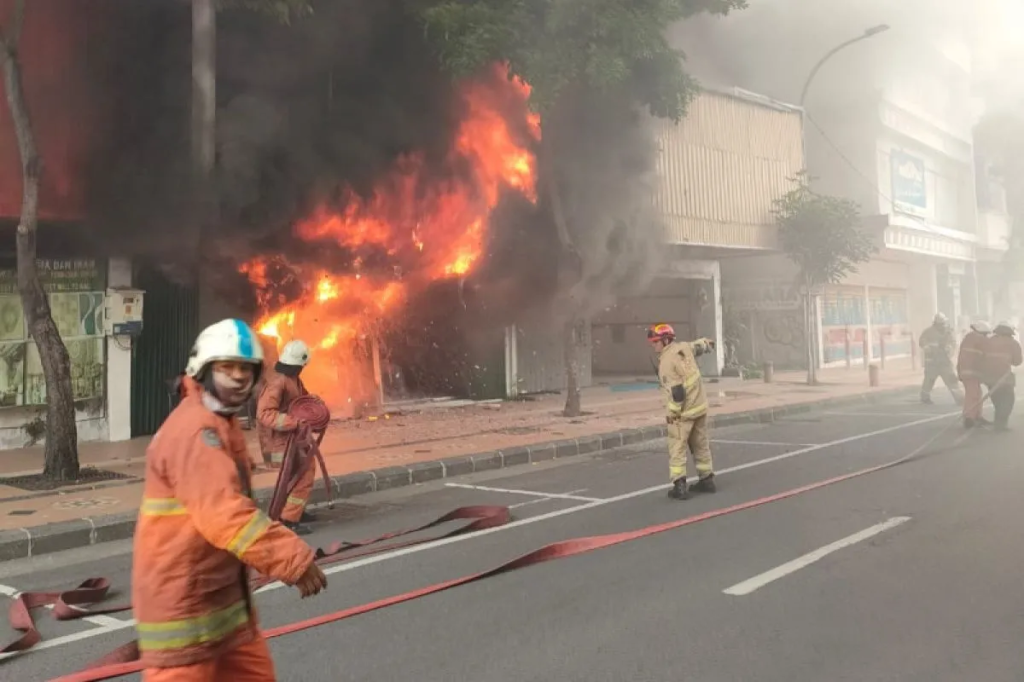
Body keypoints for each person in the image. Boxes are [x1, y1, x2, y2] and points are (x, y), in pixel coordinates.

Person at [132, 319, 327, 681]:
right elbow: (225, 513)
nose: (237, 377)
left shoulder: (221, 422)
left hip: (223, 608)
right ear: (203, 370)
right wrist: (292, 559)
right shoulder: (196, 432)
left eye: (244, 369)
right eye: (226, 367)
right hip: (185, 617)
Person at [648, 323, 717, 500]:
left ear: (665, 340)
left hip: (684, 413)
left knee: (677, 448)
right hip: (700, 407)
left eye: (655, 341)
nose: (653, 345)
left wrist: (672, 414)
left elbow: (677, 393)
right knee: (700, 444)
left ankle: (680, 486)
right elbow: (698, 346)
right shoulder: (683, 347)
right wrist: (707, 343)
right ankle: (707, 480)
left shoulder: (666, 362)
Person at [257, 339, 316, 535]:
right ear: (298, 364)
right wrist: (294, 422)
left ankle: (296, 510)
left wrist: (314, 402)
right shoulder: (278, 382)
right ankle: (289, 519)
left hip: (291, 441)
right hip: (279, 443)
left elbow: (302, 400)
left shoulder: (293, 380)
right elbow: (265, 414)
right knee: (304, 472)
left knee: (295, 474)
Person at [982, 321, 1023, 431]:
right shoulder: (1013, 343)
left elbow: (981, 357)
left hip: (989, 377)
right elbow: (1017, 361)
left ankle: (999, 422)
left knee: (997, 400)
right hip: (1004, 378)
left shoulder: (988, 341)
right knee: (1008, 400)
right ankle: (1001, 423)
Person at [918, 313, 963, 405]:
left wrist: (949, 348)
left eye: (943, 323)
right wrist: (926, 347)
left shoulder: (948, 332)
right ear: (936, 323)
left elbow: (953, 342)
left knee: (952, 380)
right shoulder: (928, 332)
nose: (943, 325)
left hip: (945, 361)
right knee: (929, 380)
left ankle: (960, 399)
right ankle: (925, 397)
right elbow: (922, 341)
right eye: (941, 323)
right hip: (932, 362)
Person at [957, 320, 991, 428]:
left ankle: (976, 415)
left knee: (976, 393)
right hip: (972, 372)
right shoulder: (980, 339)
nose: (987, 336)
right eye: (986, 333)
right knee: (972, 395)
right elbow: (988, 353)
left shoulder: (968, 338)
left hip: (966, 371)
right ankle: (969, 418)